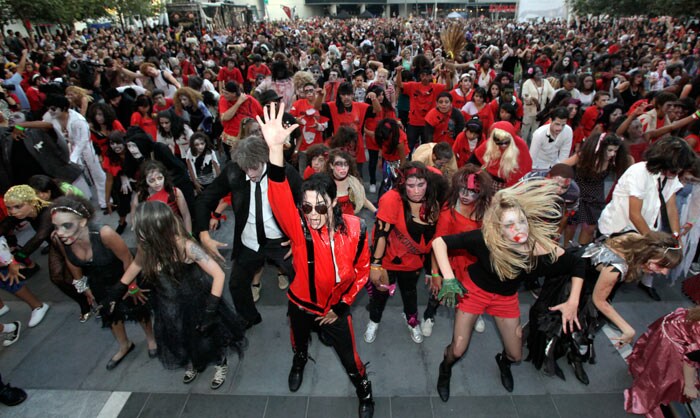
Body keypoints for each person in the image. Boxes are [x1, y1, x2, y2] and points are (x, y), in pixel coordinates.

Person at [257, 102, 375, 418]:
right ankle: (299, 359)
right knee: (298, 339)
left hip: (334, 310)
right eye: (306, 209)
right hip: (300, 303)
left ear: (334, 202)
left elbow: (363, 270)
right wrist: (275, 149)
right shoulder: (299, 228)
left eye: (320, 208)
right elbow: (278, 193)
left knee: (350, 358)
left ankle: (364, 390)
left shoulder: (357, 229)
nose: (313, 216)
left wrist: (343, 305)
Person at [432, 180, 586, 397]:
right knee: (457, 349)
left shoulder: (539, 248)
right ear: (498, 228)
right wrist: (448, 278)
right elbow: (439, 242)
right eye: (509, 224)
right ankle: (445, 368)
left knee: (516, 355)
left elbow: (577, 263)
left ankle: (503, 362)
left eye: (521, 221)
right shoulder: (485, 240)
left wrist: (573, 301)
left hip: (505, 298)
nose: (518, 229)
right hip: (475, 291)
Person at [109, 201, 246, 389]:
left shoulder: (186, 246)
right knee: (180, 337)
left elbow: (218, 274)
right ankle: (194, 363)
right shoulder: (147, 246)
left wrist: (210, 311)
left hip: (196, 303)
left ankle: (220, 363)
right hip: (168, 303)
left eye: (140, 227)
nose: (136, 231)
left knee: (207, 340)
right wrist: (117, 290)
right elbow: (136, 265)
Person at [530, 232, 682, 386]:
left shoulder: (636, 240)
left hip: (588, 283)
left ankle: (575, 357)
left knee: (582, 328)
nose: (664, 272)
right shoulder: (617, 266)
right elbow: (599, 300)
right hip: (575, 285)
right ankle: (554, 353)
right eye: (662, 266)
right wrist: (627, 328)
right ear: (650, 253)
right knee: (562, 324)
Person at [195, 136, 300, 328]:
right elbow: (204, 200)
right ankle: (249, 317)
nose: (250, 173)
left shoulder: (285, 173)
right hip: (249, 238)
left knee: (302, 279)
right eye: (246, 168)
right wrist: (203, 234)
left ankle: (304, 320)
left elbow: (304, 205)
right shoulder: (234, 171)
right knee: (236, 284)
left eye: (254, 167)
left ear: (265, 159)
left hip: (281, 240)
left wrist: (298, 238)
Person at [50, 196, 156, 370]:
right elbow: (72, 263)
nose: (60, 232)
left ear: (83, 222)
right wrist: (84, 288)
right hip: (98, 282)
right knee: (110, 314)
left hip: (123, 276)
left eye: (66, 225)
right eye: (56, 226)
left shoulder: (104, 233)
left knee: (138, 308)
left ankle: (151, 339)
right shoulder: (59, 238)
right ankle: (125, 345)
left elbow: (128, 259)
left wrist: (132, 286)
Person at [598, 137, 696, 300]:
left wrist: (676, 237)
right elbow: (634, 214)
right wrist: (655, 242)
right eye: (676, 168)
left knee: (617, 281)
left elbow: (671, 206)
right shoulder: (639, 172)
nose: (677, 173)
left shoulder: (667, 177)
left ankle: (599, 311)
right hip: (617, 234)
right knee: (603, 281)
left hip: (640, 236)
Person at [365, 162, 447, 344]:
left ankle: (411, 321)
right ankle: (374, 321)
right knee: (380, 295)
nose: (417, 191)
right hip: (388, 260)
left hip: (413, 263)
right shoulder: (391, 199)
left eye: (421, 185)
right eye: (411, 186)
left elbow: (435, 242)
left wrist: (433, 271)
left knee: (410, 294)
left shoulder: (433, 201)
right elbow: (381, 234)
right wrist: (376, 265)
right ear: (403, 185)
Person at [423, 165, 495, 337]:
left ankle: (475, 314)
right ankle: (429, 316)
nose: (465, 196)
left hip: (474, 262)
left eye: (472, 192)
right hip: (449, 260)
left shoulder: (486, 209)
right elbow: (437, 243)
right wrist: (435, 274)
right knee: (437, 292)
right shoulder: (449, 210)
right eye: (462, 190)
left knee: (473, 293)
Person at [624, 307, 700, 417]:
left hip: (676, 325)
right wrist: (689, 386)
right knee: (669, 377)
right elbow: (690, 360)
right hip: (673, 341)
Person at [563, 133, 632, 246]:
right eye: (609, 150)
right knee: (571, 224)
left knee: (590, 227)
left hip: (595, 195)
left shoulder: (613, 160)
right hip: (578, 192)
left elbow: (629, 163)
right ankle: (566, 249)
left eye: (615, 151)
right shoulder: (583, 156)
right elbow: (562, 166)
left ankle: (581, 251)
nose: (612, 154)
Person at [397, 67, 453, 151]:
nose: (425, 78)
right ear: (419, 76)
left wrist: (448, 75)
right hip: (413, 122)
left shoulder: (435, 87)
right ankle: (407, 163)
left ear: (431, 76)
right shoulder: (413, 85)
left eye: (427, 75)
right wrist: (398, 72)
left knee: (427, 147)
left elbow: (448, 87)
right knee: (409, 146)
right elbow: (399, 85)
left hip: (428, 123)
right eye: (423, 75)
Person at [467, 121, 532, 189]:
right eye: (499, 141)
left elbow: (526, 168)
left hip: (513, 186)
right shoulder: (489, 144)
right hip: (490, 183)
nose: (503, 145)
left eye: (506, 141)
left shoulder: (520, 146)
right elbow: (473, 162)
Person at [132, 160, 192, 234]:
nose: (157, 183)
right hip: (153, 234)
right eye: (152, 180)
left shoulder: (175, 192)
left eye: (160, 178)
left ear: (164, 176)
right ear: (145, 181)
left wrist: (189, 235)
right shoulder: (140, 196)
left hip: (174, 231)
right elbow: (134, 220)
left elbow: (186, 215)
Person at [325, 149, 376, 215]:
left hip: (350, 221)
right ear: (331, 166)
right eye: (339, 164)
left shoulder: (353, 181)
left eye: (346, 164)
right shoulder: (325, 183)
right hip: (332, 221)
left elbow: (363, 200)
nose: (343, 168)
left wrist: (376, 212)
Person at [218, 81, 264, 146]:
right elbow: (225, 118)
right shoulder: (223, 99)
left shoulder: (250, 99)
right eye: (223, 92)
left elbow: (261, 114)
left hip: (250, 137)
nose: (223, 95)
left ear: (234, 94)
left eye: (226, 93)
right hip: (232, 138)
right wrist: (238, 103)